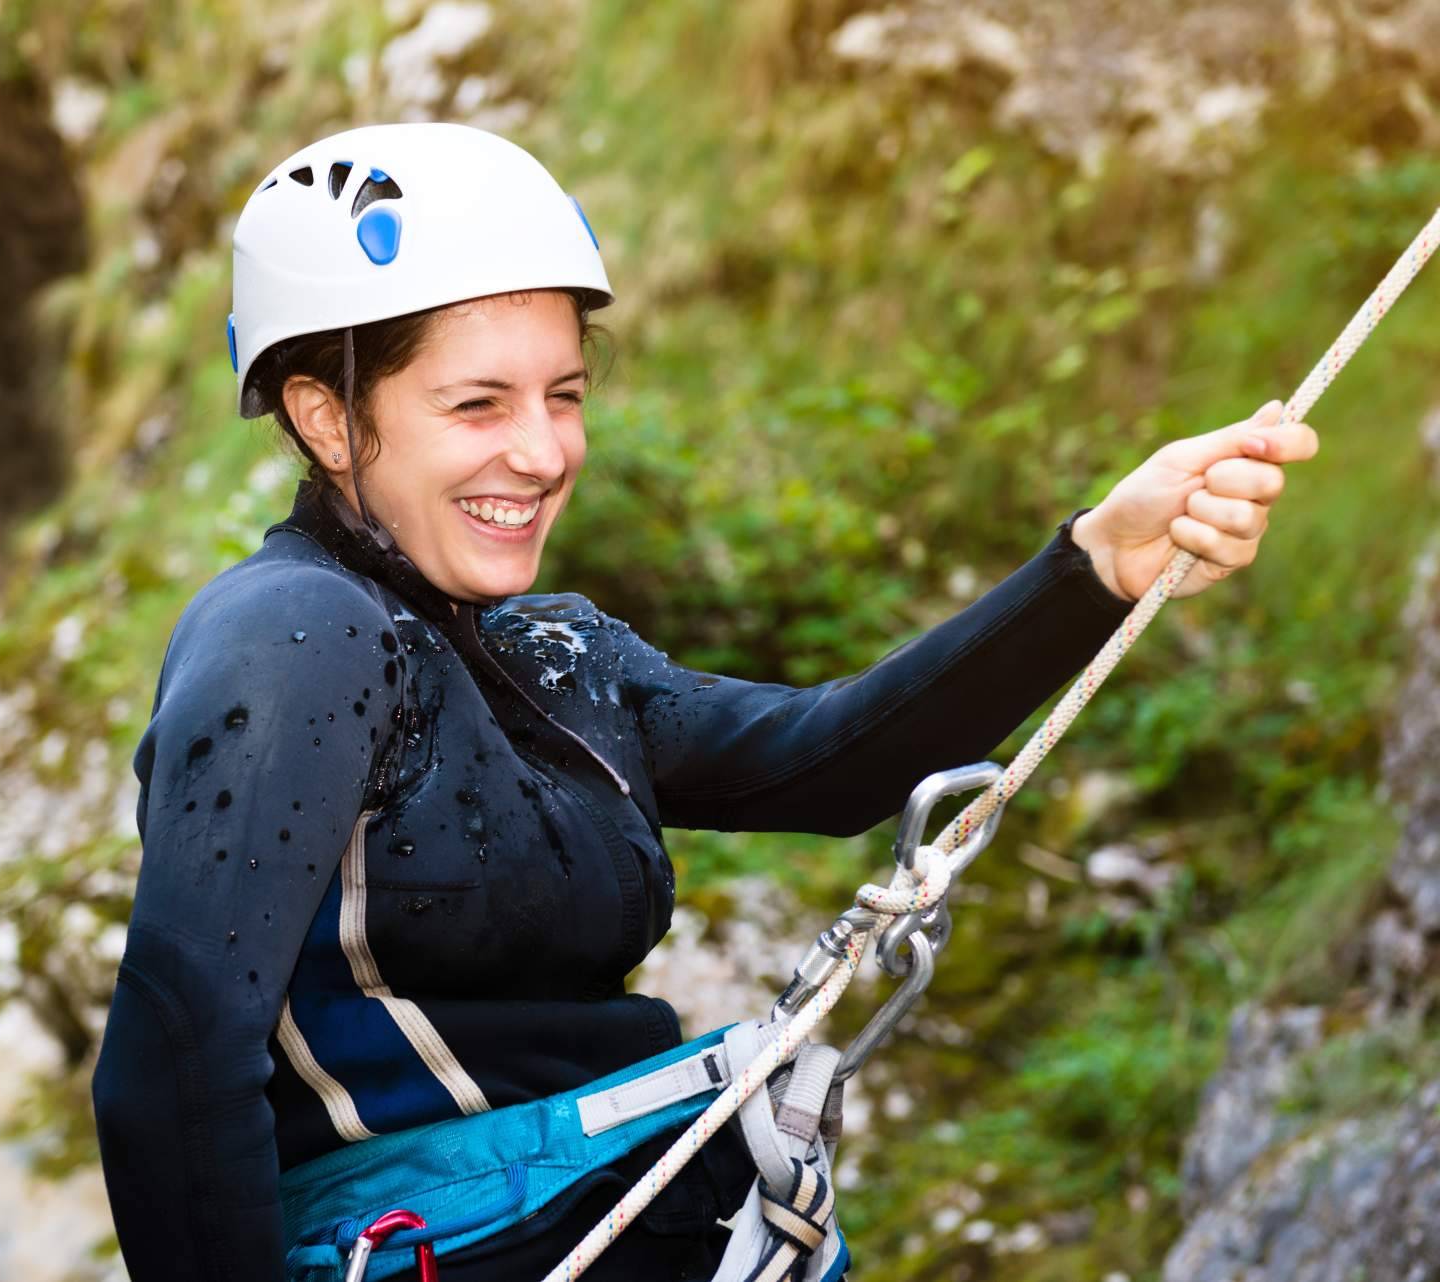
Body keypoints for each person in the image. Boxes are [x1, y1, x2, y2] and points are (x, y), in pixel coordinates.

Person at [89, 122, 1318, 1282]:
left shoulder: (551, 656)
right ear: (326, 417)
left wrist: (1096, 566)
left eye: (563, 394)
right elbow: (177, 1048)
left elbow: (830, 764)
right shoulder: (294, 631)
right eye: (478, 404)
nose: (542, 450)